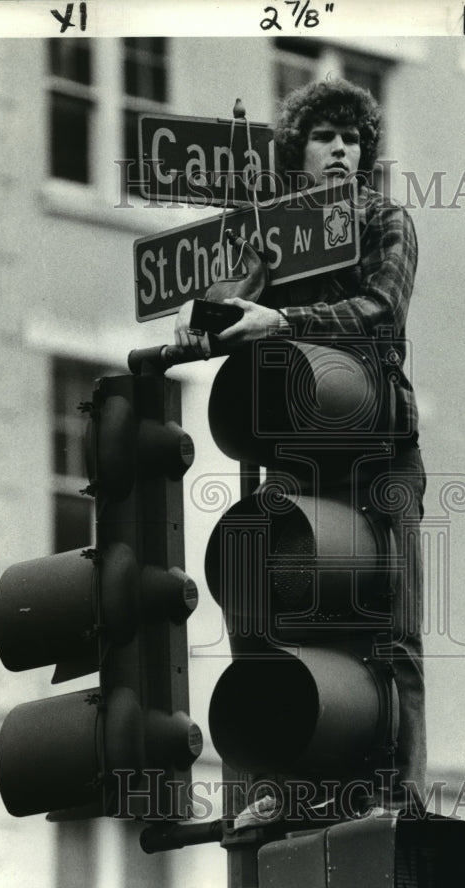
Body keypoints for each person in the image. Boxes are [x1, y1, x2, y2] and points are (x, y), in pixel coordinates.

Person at [176, 78, 427, 813]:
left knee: (392, 626)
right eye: (326, 138)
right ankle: (280, 790)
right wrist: (214, 307)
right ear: (300, 154)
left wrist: (282, 324)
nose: (342, 150)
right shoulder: (280, 237)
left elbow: (380, 311)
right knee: (277, 616)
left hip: (378, 450)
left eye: (352, 139)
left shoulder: (388, 221)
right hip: (297, 457)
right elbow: (235, 306)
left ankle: (399, 794)